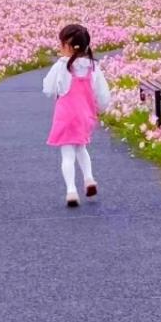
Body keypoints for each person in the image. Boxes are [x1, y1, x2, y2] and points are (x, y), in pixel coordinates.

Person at [43, 23, 110, 207]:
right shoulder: (93, 67)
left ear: (67, 46)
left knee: (67, 155)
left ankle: (71, 190)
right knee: (81, 147)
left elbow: (48, 88)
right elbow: (103, 95)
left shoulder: (61, 66)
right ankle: (89, 179)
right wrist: (102, 109)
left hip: (65, 117)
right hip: (85, 116)